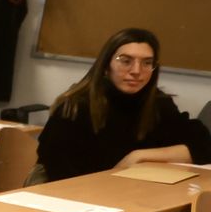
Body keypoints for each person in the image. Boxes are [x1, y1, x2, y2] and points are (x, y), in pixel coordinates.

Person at [38, 28, 211, 181]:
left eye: (147, 63)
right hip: (80, 200)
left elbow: (204, 146)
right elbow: (59, 171)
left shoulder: (159, 104)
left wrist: (138, 156)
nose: (136, 71)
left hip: (133, 196)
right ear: (106, 65)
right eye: (125, 60)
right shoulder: (76, 107)